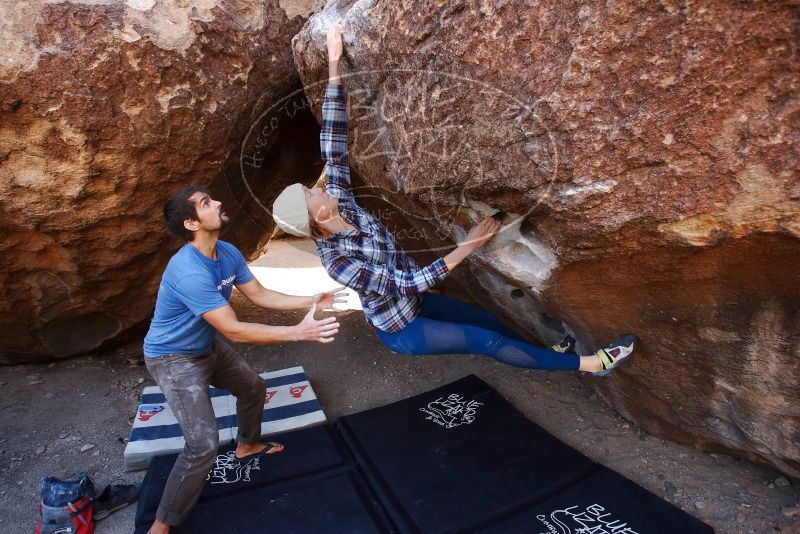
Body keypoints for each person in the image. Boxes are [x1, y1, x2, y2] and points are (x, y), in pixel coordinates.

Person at [272, 23, 636, 377]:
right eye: (311, 194)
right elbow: (408, 283)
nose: (319, 188)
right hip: (401, 327)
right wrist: (469, 245)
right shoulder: (338, 262)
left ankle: (548, 355)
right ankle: (593, 365)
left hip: (418, 301)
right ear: (317, 216)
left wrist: (334, 64)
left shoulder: (340, 200)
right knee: (487, 341)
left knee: (487, 320)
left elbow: (333, 140)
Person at [142, 187, 346, 534]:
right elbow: (234, 330)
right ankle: (160, 526)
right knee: (203, 446)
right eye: (206, 204)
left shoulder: (226, 252)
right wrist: (298, 332)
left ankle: (247, 444)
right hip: (173, 358)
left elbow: (260, 295)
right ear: (192, 224)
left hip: (206, 346)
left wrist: (311, 300)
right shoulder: (188, 272)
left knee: (252, 387)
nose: (218, 202)